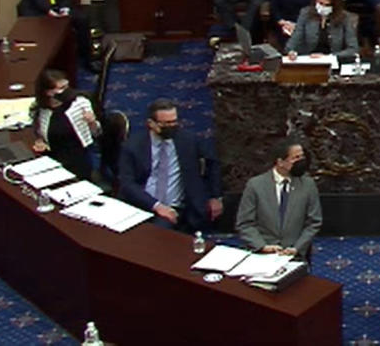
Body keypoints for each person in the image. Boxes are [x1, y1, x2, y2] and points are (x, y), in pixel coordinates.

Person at [118, 99, 223, 233]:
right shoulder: (133, 146)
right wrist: (156, 206)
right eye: (166, 123)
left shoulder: (189, 140)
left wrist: (215, 197)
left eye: (174, 121)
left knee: (157, 231)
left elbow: (213, 164)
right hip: (143, 204)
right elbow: (127, 183)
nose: (173, 126)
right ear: (151, 124)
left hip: (177, 206)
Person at [235, 138, 322, 259]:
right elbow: (245, 224)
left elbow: (314, 222)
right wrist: (262, 246)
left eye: (302, 157)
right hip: (263, 253)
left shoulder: (308, 185)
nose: (301, 161)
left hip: (295, 254)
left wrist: (297, 247)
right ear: (280, 162)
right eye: (296, 158)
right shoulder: (255, 185)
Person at [31, 68, 100, 181]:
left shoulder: (80, 103)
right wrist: (40, 141)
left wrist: (92, 122)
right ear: (48, 92)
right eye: (61, 88)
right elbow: (40, 132)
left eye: (66, 86)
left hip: (76, 159)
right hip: (51, 156)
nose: (67, 91)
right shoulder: (42, 109)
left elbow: (96, 134)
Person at [284, 0, 360, 59]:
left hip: (333, 62)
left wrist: (329, 57)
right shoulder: (306, 13)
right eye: (320, 3)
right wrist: (291, 52)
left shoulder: (346, 18)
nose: (322, 7)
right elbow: (292, 43)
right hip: (309, 60)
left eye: (327, 5)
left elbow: (353, 49)